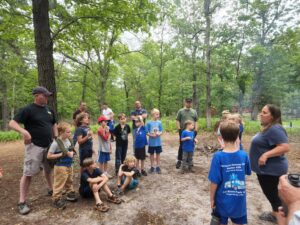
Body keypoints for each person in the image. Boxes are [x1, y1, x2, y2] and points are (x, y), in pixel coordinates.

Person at [9, 86, 58, 215]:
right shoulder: (28, 109)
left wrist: (56, 138)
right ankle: (22, 202)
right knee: (28, 173)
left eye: (48, 95)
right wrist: (24, 132)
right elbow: (12, 123)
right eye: (45, 95)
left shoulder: (49, 110)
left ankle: (51, 189)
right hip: (34, 147)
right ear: (36, 95)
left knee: (49, 170)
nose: (47, 97)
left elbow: (54, 123)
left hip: (49, 146)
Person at [249, 104, 289, 223]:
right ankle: (276, 213)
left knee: (272, 195)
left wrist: (265, 155)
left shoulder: (275, 128)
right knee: (273, 194)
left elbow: (285, 147)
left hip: (270, 170)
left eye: (264, 112)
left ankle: (279, 217)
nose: (261, 114)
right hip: (267, 170)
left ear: (272, 117)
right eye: (261, 112)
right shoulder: (269, 128)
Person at [208, 121, 251, 225]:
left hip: (222, 200)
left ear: (221, 136)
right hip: (239, 200)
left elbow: (214, 181)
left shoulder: (218, 156)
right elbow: (247, 171)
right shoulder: (244, 155)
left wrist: (212, 199)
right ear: (237, 136)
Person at [47, 122, 77, 209]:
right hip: (60, 166)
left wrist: (72, 153)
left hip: (69, 164)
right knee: (59, 182)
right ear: (61, 132)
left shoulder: (68, 140)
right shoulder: (56, 143)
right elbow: (48, 156)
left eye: (70, 132)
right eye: (68, 132)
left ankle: (69, 193)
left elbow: (71, 150)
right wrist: (61, 154)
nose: (70, 134)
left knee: (69, 179)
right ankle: (56, 198)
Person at [175, 98, 198, 169]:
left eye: (190, 102)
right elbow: (177, 120)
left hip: (192, 131)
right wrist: (179, 129)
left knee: (191, 144)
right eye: (187, 102)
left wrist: (196, 129)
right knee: (182, 145)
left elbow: (196, 121)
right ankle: (179, 160)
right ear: (185, 102)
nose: (189, 103)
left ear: (191, 103)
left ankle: (189, 161)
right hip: (183, 131)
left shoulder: (194, 112)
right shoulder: (180, 111)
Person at [146, 108, 163, 174]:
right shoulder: (148, 123)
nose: (158, 115)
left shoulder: (159, 122)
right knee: (151, 154)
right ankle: (152, 166)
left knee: (158, 154)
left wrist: (159, 133)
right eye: (157, 114)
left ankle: (158, 166)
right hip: (151, 142)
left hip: (158, 142)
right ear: (153, 114)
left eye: (158, 114)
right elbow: (146, 132)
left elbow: (161, 131)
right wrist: (150, 135)